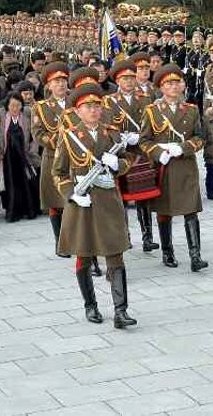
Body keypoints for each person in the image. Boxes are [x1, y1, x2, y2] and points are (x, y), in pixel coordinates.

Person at [54, 83, 137, 329]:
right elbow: (58, 172)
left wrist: (117, 165)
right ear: (77, 111)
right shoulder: (69, 136)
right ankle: (90, 306)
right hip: (83, 203)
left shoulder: (111, 133)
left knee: (115, 254)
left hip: (108, 201)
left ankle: (121, 311)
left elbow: (128, 159)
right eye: (87, 107)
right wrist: (71, 193)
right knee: (84, 254)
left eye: (96, 106)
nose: (93, 110)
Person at [139, 64, 207, 272]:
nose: (174, 86)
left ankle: (195, 256)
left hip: (185, 166)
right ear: (161, 87)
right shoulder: (152, 111)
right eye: (169, 83)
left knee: (190, 210)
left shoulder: (192, 109)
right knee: (164, 211)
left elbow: (200, 137)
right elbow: (144, 141)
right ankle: (168, 252)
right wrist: (159, 153)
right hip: (164, 169)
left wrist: (184, 148)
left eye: (177, 82)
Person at [103, 59, 158, 252]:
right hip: (122, 152)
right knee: (123, 197)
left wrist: (140, 137)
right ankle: (125, 236)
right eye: (124, 78)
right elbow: (108, 125)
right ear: (117, 80)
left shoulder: (144, 98)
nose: (128, 81)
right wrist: (122, 138)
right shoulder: (109, 101)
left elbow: (151, 122)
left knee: (144, 195)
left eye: (131, 78)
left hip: (141, 151)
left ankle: (147, 237)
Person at [32, 62, 73, 256]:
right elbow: (38, 133)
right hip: (53, 157)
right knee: (55, 202)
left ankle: (74, 239)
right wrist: (55, 141)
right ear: (49, 85)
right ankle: (60, 241)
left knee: (73, 201)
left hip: (76, 159)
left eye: (64, 80)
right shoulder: (41, 107)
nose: (61, 84)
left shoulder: (76, 103)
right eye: (57, 81)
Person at [0, 92, 41, 222]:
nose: (15, 108)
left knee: (26, 183)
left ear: (22, 105)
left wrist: (32, 151)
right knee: (11, 184)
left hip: (24, 156)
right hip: (8, 158)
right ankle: (12, 212)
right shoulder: (2, 119)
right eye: (12, 106)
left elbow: (35, 138)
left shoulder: (27, 118)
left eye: (17, 105)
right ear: (7, 106)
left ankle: (29, 210)